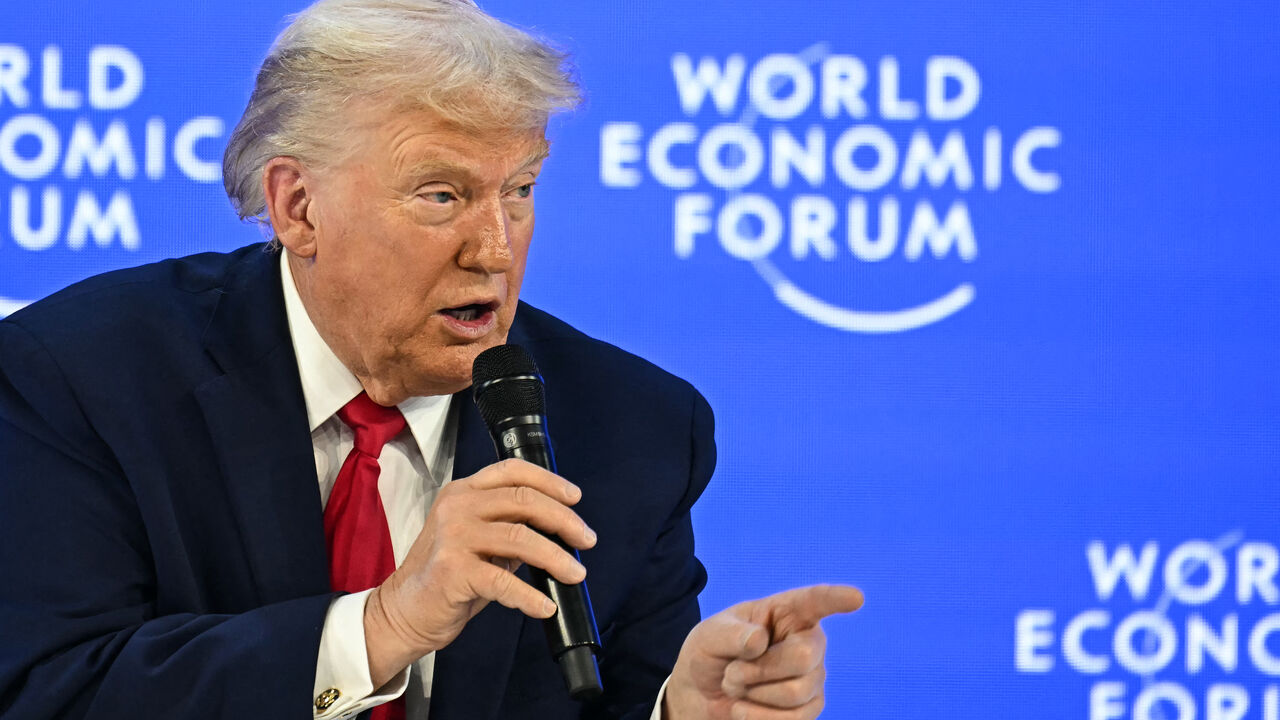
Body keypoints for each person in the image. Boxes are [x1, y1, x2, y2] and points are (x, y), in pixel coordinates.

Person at [0, 1, 862, 718]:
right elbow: (52, 690)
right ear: (298, 208)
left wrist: (684, 711)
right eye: (441, 194)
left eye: (519, 191)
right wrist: (383, 627)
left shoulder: (634, 428)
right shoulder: (81, 378)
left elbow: (618, 700)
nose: (495, 250)